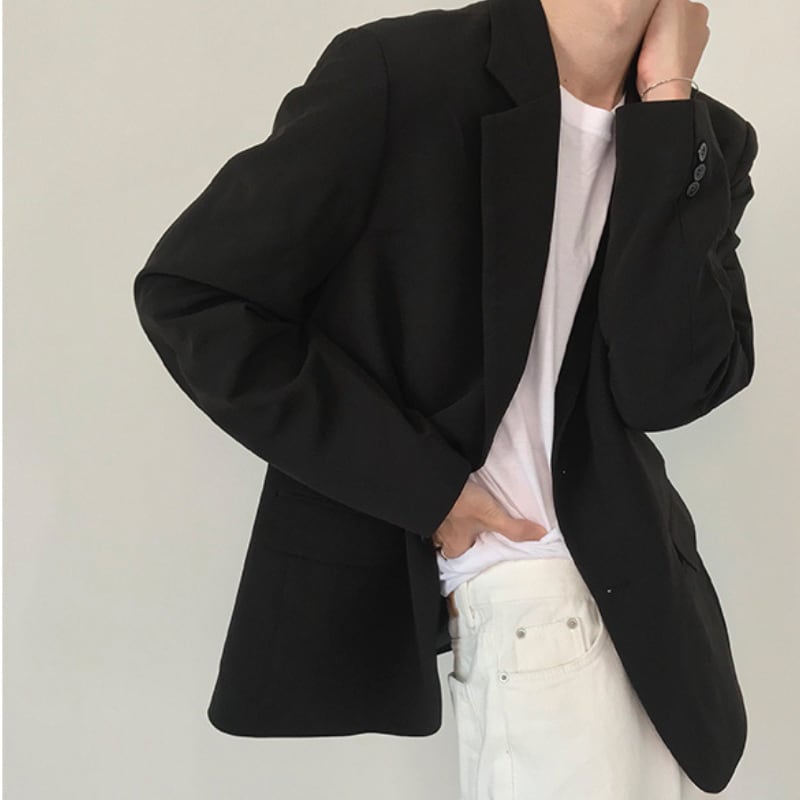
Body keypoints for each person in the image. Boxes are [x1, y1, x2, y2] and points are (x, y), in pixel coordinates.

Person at [132, 0, 759, 797]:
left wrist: (667, 103)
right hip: (525, 598)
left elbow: (665, 390)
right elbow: (195, 296)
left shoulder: (702, 137)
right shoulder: (406, 75)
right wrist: (429, 490)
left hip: (645, 614)